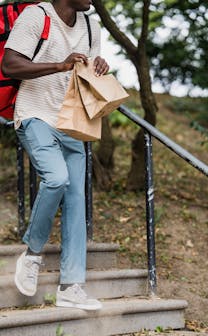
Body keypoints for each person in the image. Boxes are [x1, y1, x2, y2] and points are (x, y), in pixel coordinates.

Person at [2, 0, 109, 310]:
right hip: (35, 114)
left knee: (77, 200)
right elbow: (9, 65)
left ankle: (71, 286)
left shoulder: (91, 25)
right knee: (57, 179)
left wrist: (99, 66)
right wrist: (60, 64)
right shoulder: (37, 16)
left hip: (72, 123)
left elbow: (86, 73)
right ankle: (32, 253)